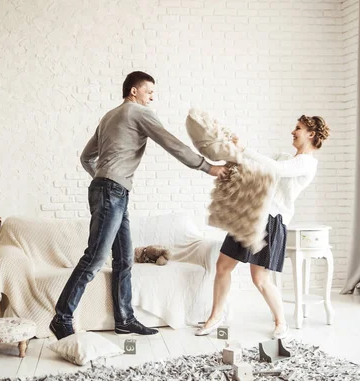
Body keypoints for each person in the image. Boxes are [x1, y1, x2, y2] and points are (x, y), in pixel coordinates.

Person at [50, 71, 228, 339]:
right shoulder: (138, 113)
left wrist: (103, 176)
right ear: (134, 91)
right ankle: (62, 317)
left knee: (123, 259)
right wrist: (207, 167)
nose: (152, 98)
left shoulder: (109, 116)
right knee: (95, 258)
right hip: (112, 191)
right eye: (149, 92)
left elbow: (86, 157)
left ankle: (124, 319)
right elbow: (172, 144)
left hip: (108, 190)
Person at [195, 115, 330, 339]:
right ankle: (215, 316)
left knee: (260, 279)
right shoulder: (288, 158)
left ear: (311, 134)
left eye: (298, 128)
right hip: (251, 215)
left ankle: (281, 322)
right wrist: (236, 150)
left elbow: (275, 169)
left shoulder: (306, 163)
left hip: (271, 221)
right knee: (223, 266)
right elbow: (261, 166)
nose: (293, 132)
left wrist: (245, 148)